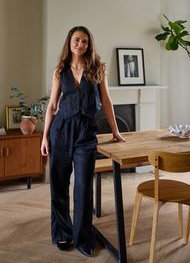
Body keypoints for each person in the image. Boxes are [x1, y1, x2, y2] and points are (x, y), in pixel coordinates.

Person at [41, 26, 125, 257]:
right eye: (76, 40)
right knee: (58, 186)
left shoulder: (97, 69)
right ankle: (62, 233)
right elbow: (52, 106)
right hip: (61, 132)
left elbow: (106, 101)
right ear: (69, 42)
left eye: (85, 41)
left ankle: (83, 238)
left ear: (89, 44)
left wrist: (116, 131)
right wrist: (44, 136)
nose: (80, 44)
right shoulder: (60, 70)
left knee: (83, 188)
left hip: (86, 135)